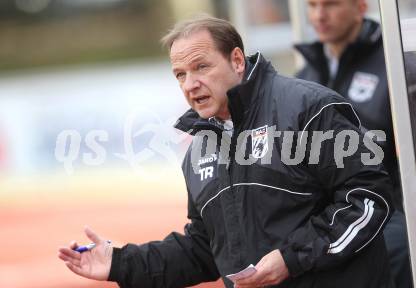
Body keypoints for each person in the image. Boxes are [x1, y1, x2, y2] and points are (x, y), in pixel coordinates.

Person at [58, 15, 394, 288]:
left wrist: (290, 259)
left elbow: (367, 199)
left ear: (236, 61)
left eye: (201, 67)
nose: (190, 84)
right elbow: (204, 250)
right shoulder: (199, 149)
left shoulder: (308, 108)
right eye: (180, 75)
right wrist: (120, 263)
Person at [294, 0, 412, 287]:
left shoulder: (396, 63)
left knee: (393, 250)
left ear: (360, 7)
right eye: (312, 5)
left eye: (330, 4)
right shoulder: (304, 76)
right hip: (321, 211)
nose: (319, 15)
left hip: (387, 207)